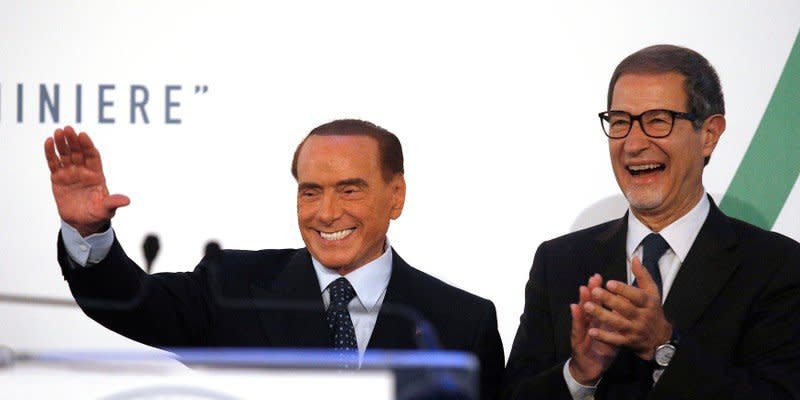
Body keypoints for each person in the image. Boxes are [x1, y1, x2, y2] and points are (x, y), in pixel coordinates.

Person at [46, 119, 504, 400]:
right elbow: (129, 301)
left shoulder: (463, 321)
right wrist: (90, 233)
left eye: (349, 189)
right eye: (310, 192)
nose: (326, 213)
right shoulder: (233, 287)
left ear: (396, 195)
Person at [502, 45, 800, 399]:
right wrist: (578, 375)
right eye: (620, 122)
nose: (633, 143)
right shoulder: (559, 262)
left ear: (709, 134)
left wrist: (664, 347)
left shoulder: (777, 267)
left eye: (657, 120)